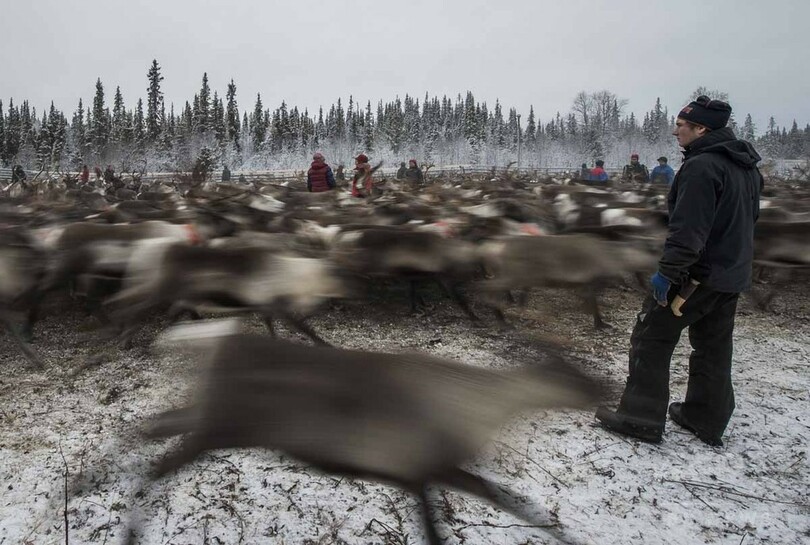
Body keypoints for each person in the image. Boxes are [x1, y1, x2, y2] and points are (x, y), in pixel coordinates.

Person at [595, 95, 763, 447]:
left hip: (696, 276)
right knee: (713, 346)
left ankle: (640, 419)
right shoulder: (745, 166)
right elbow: (749, 220)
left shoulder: (702, 167)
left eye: (681, 125)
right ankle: (706, 417)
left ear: (701, 129)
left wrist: (669, 273)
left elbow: (688, 231)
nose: (676, 132)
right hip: (731, 273)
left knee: (650, 337)